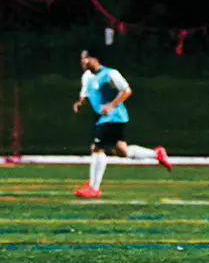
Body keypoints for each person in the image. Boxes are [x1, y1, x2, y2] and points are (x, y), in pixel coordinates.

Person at [73, 48, 172, 198]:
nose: (83, 62)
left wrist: (111, 105)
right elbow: (85, 95)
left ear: (95, 59)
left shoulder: (110, 74)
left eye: (85, 58)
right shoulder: (87, 77)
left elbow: (126, 91)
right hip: (104, 118)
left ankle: (93, 187)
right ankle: (156, 154)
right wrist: (80, 103)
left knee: (97, 148)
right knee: (121, 151)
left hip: (114, 117)